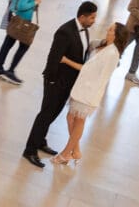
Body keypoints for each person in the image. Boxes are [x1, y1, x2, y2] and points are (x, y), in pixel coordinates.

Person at [22, 1, 99, 168]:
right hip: (56, 81)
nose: (94, 20)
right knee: (45, 115)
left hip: (68, 82)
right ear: (82, 16)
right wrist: (51, 81)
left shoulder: (84, 31)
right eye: (92, 17)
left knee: (53, 114)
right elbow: (54, 57)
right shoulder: (65, 31)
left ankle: (41, 141)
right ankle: (30, 150)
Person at [52, 22, 130, 166]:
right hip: (82, 88)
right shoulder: (104, 46)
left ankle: (65, 154)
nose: (108, 30)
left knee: (78, 120)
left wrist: (66, 60)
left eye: (111, 29)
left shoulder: (112, 54)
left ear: (116, 35)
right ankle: (76, 151)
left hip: (89, 92)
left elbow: (90, 70)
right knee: (70, 117)